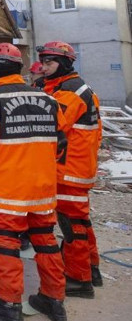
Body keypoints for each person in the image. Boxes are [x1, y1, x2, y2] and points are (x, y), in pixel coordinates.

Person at [0, 43, 68, 321]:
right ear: (18, 68)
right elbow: (61, 144)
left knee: (7, 246)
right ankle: (54, 300)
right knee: (46, 242)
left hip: (8, 192)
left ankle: (8, 304)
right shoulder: (49, 99)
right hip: (43, 189)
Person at [38, 41, 103, 297]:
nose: (43, 68)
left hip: (69, 171)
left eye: (49, 63)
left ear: (64, 63)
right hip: (79, 167)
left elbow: (52, 125)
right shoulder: (74, 87)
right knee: (81, 222)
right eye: (43, 62)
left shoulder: (70, 91)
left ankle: (78, 279)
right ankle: (91, 268)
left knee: (71, 225)